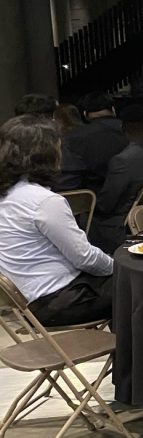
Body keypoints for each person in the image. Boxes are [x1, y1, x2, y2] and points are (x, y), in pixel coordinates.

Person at [0, 115, 113, 326]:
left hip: (24, 302)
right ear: (48, 154)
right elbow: (85, 258)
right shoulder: (44, 201)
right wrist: (118, 266)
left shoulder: (9, 194)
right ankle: (136, 348)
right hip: (59, 301)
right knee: (139, 286)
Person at [90, 104, 143, 252]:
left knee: (84, 219)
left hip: (124, 224)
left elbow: (105, 205)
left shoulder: (123, 160)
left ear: (123, 127)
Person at [64, 92, 128, 191]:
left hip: (94, 195)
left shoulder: (74, 137)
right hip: (136, 194)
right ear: (113, 110)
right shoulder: (134, 131)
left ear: (85, 114)